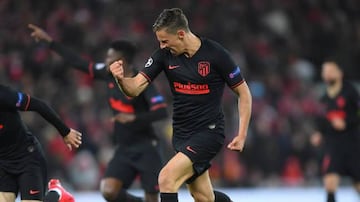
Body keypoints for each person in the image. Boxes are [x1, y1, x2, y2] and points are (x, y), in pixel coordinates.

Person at [110, 8, 252, 202]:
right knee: (203, 197)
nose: (161, 46)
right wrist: (120, 79)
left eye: (165, 41)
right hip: (181, 134)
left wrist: (242, 134)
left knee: (166, 178)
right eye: (159, 41)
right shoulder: (163, 56)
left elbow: (243, 93)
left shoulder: (215, 54)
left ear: (181, 34)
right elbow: (134, 88)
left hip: (208, 132)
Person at [29, 24, 168, 202]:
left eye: (110, 57)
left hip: (147, 147)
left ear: (122, 62)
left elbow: (161, 111)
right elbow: (79, 63)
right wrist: (50, 42)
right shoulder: (108, 73)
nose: (106, 60)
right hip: (124, 148)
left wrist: (133, 118)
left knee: (152, 196)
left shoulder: (140, 82)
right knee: (108, 190)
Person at [0, 84, 82, 202]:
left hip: (26, 157)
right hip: (3, 162)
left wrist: (65, 132)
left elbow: (38, 105)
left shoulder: (4, 95)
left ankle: (57, 193)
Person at [310, 61, 360, 202]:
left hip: (352, 145)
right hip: (333, 145)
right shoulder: (324, 98)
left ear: (340, 73)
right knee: (330, 182)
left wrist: (347, 122)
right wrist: (318, 133)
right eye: (324, 71)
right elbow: (321, 120)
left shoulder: (350, 92)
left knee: (358, 185)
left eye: (330, 70)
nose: (327, 74)